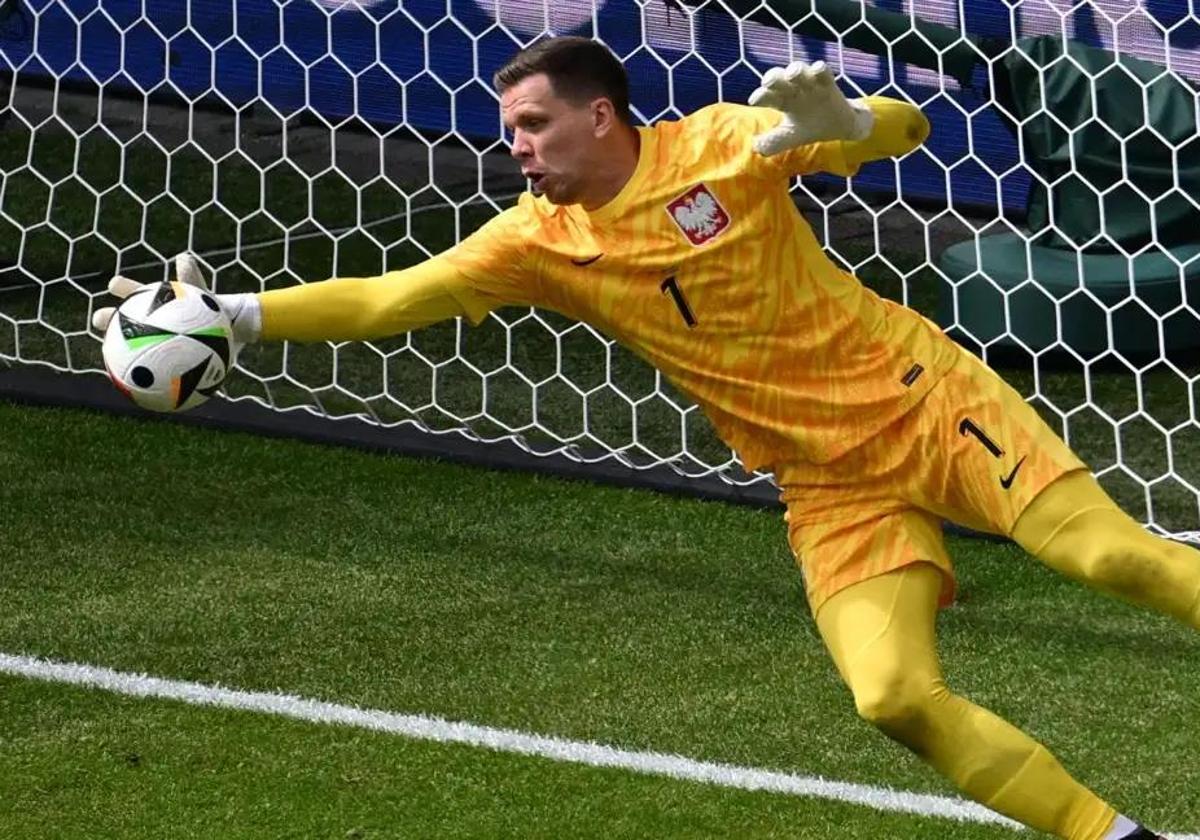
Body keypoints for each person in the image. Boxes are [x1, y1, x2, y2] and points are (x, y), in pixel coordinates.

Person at [93, 36, 1197, 840]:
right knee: (893, 698)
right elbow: (389, 302)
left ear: (600, 117)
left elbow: (913, 135)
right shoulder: (535, 241)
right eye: (507, 128)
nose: (514, 146)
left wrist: (852, 126)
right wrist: (232, 317)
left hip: (918, 396)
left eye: (530, 124)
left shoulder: (723, 146)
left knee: (1108, 557)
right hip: (825, 483)